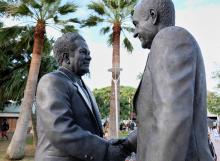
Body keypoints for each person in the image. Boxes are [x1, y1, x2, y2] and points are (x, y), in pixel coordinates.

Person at [132, 0, 214, 160]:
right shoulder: (164, 46)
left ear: (153, 16)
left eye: (136, 24)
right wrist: (127, 143)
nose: (135, 33)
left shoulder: (169, 38)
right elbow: (154, 121)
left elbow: (171, 122)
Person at [35, 32, 133, 161]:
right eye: (83, 52)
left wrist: (111, 144)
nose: (89, 57)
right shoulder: (52, 81)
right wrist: (106, 151)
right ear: (66, 58)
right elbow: (60, 131)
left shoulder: (85, 88)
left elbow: (91, 131)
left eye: (89, 53)